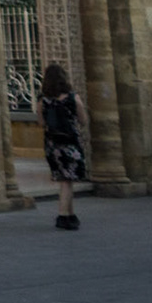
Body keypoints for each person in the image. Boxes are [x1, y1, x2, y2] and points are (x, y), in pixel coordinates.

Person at [36, 62, 89, 230]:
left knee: (65, 179)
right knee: (67, 181)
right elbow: (83, 120)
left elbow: (40, 123)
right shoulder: (73, 97)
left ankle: (71, 214)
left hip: (53, 145)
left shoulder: (42, 100)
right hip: (70, 143)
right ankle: (62, 216)